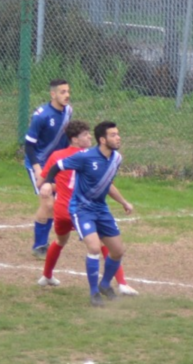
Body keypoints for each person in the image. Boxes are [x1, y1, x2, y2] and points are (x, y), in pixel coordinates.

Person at [36, 120, 137, 295]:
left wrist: (49, 185)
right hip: (78, 209)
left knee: (61, 241)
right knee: (101, 245)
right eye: (85, 134)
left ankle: (47, 275)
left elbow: (43, 180)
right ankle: (119, 283)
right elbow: (107, 184)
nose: (89, 136)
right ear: (74, 139)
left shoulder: (58, 155)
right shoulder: (88, 156)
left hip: (62, 209)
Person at [25, 79, 73, 259]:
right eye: (62, 92)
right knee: (48, 202)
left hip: (57, 163)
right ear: (53, 94)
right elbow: (29, 145)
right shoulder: (41, 116)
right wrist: (38, 170)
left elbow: (67, 138)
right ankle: (39, 246)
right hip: (38, 164)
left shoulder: (68, 111)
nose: (66, 95)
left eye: (68, 91)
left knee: (58, 203)